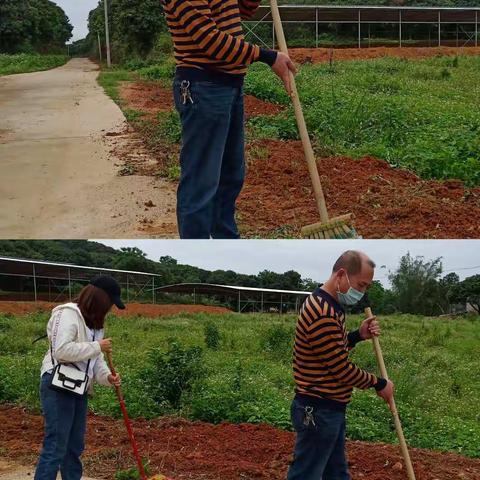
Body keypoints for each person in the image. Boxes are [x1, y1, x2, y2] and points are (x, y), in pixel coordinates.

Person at [161, 0, 296, 239]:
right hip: (203, 87)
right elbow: (210, 40)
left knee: (230, 178)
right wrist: (267, 56)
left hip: (230, 86)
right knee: (202, 183)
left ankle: (226, 238)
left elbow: (238, 12)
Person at [287, 250, 395, 480]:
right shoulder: (323, 311)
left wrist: (357, 336)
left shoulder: (329, 304)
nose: (362, 292)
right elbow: (340, 368)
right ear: (342, 274)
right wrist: (379, 383)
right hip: (318, 410)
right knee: (306, 475)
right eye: (361, 285)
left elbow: (331, 350)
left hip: (328, 409)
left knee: (336, 474)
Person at [34, 276, 125, 480]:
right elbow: (61, 351)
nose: (110, 309)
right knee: (56, 445)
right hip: (57, 383)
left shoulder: (96, 324)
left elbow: (96, 359)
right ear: (100, 299)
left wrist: (107, 377)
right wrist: (97, 346)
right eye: (110, 303)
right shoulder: (68, 314)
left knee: (74, 446)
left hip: (79, 387)